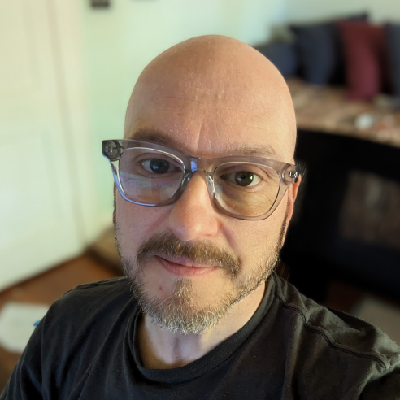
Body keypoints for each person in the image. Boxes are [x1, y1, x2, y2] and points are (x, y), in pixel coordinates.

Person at [2, 35, 400, 400]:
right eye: (157, 165)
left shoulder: (358, 384)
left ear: (288, 202)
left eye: (243, 177)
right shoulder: (65, 325)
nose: (188, 226)